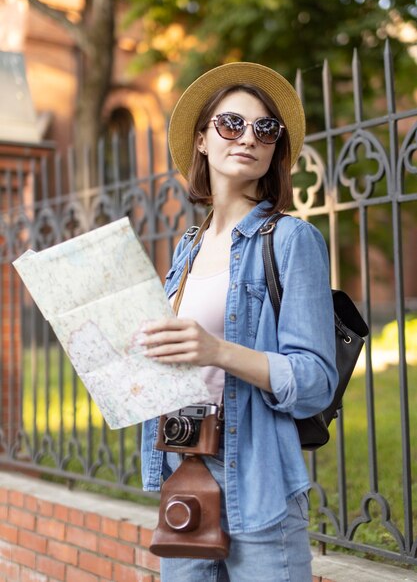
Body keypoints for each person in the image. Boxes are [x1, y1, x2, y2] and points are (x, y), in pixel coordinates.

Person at [140, 62, 338, 582]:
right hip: (184, 470)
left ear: (275, 147)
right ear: (203, 139)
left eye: (265, 128)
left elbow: (315, 381)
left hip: (256, 475)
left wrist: (216, 351)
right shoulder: (186, 250)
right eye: (231, 124)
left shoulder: (292, 241)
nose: (249, 137)